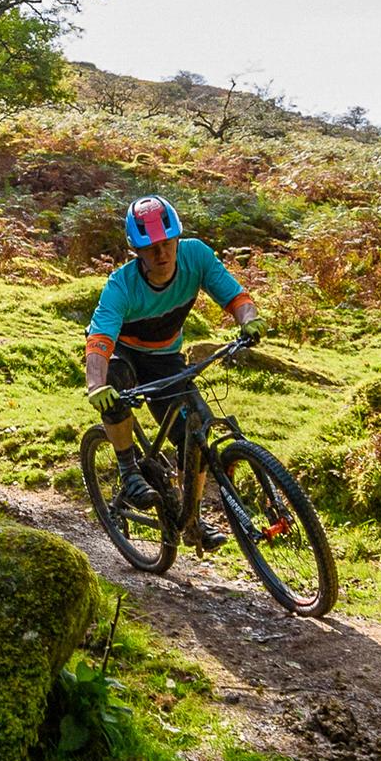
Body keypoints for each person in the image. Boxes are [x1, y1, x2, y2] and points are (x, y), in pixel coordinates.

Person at [83, 194, 266, 550]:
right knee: (113, 387)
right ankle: (128, 471)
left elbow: (235, 297)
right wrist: (95, 384)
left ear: (178, 239)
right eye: (151, 249)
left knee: (195, 429)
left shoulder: (196, 257)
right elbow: (101, 340)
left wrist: (249, 321)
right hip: (123, 352)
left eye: (167, 244)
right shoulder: (121, 285)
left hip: (165, 357)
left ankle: (193, 523)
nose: (162, 254)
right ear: (137, 252)